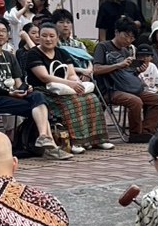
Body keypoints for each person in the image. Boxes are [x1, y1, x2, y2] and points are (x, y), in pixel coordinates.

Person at [0, 16, 67, 160]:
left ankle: (43, 137)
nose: (1, 34)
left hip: (11, 95)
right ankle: (50, 146)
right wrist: (10, 92)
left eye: (4, 31)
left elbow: (18, 82)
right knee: (40, 108)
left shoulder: (9, 56)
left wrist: (25, 88)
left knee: (38, 96)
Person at [25, 22, 111, 153]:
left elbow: (71, 74)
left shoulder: (62, 52)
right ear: (39, 37)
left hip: (64, 89)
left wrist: (77, 83)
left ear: (57, 37)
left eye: (52, 36)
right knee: (72, 102)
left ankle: (98, 139)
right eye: (44, 36)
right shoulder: (33, 53)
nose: (48, 39)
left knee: (91, 98)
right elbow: (44, 77)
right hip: (44, 91)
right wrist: (70, 84)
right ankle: (75, 142)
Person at [92, 19, 158, 142]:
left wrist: (138, 71)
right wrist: (118, 65)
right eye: (126, 36)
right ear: (116, 32)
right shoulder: (103, 46)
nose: (128, 40)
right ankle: (135, 134)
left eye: (132, 38)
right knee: (135, 101)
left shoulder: (126, 51)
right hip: (111, 89)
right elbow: (96, 69)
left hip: (128, 88)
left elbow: (128, 74)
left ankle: (146, 131)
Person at [52, 9, 95, 78]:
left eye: (68, 22)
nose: (65, 25)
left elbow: (88, 60)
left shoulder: (78, 44)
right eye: (61, 22)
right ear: (54, 24)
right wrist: (81, 70)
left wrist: (88, 72)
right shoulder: (53, 44)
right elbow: (58, 65)